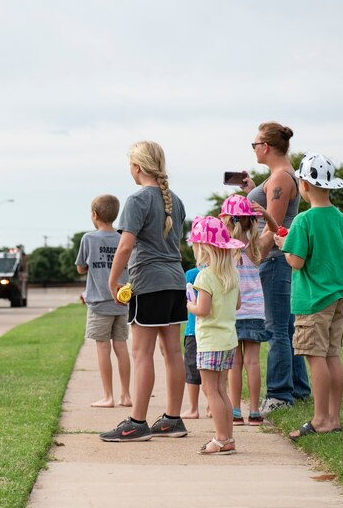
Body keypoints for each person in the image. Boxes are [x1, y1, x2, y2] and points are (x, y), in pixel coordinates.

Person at [99, 140, 188, 442]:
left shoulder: (137, 200)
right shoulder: (175, 200)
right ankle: (173, 419)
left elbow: (125, 246)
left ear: (136, 167)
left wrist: (113, 280)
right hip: (175, 281)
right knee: (172, 352)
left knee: (142, 353)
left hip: (148, 283)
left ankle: (137, 422)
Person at [275, 153, 343, 439]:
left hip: (312, 300)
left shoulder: (303, 220)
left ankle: (320, 419)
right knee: (332, 354)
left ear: (304, 186)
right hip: (339, 298)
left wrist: (285, 245)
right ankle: (333, 417)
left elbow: (295, 261)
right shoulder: (341, 219)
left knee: (314, 356)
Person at [242, 122, 311, 417]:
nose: (254, 149)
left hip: (273, 261)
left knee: (276, 329)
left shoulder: (282, 178)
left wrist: (253, 257)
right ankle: (299, 389)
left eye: (255, 144)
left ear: (266, 147)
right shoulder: (279, 176)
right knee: (288, 327)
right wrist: (251, 192)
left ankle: (280, 394)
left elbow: (275, 227)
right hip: (277, 261)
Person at [186, 216, 244, 455]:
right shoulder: (232, 274)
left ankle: (221, 438)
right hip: (228, 340)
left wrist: (189, 303)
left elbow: (203, 310)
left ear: (204, 247)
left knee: (211, 391)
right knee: (221, 390)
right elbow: (238, 305)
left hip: (210, 341)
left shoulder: (205, 276)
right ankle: (228, 437)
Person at [219, 194, 276, 426]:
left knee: (235, 363)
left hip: (233, 310)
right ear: (252, 221)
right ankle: (254, 411)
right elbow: (275, 229)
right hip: (255, 311)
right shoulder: (256, 247)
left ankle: (234, 411)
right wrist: (266, 214)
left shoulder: (225, 248)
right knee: (253, 362)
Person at [75, 194, 132, 409]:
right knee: (121, 347)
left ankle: (108, 396)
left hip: (99, 302)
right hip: (121, 301)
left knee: (103, 348)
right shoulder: (123, 238)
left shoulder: (89, 239)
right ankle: (125, 395)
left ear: (95, 215)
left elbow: (81, 267)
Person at [181, 266, 206, 419]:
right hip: (212, 331)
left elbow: (185, 299)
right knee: (212, 370)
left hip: (193, 329)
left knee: (191, 370)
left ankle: (193, 408)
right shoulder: (221, 273)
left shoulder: (191, 274)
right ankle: (211, 407)